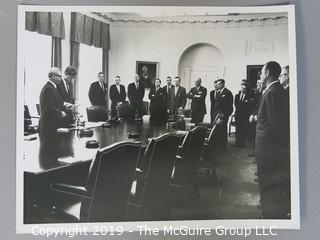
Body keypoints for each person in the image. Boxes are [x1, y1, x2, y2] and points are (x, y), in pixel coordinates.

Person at [256, 61, 290, 219]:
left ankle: (269, 217)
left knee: (269, 185)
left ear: (268, 72)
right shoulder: (273, 90)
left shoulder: (272, 92)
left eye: (262, 72)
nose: (260, 75)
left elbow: (278, 127)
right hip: (268, 150)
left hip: (269, 151)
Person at [39, 67, 67, 139]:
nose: (61, 78)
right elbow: (49, 107)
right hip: (48, 127)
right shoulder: (48, 88)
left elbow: (56, 103)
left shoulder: (53, 87)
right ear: (53, 76)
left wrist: (65, 106)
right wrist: (60, 113)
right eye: (60, 76)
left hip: (52, 126)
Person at [212, 79, 233, 150]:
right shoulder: (219, 92)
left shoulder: (228, 93)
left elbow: (229, 107)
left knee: (223, 131)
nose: (217, 85)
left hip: (222, 116)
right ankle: (218, 146)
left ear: (222, 84)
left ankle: (223, 148)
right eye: (217, 84)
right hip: (217, 115)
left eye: (218, 84)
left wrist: (223, 117)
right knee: (218, 131)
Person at [234, 79, 254, 147]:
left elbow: (249, 106)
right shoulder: (237, 95)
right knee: (238, 129)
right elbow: (236, 105)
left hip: (245, 116)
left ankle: (242, 144)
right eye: (242, 85)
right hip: (238, 115)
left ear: (247, 86)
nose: (243, 87)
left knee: (243, 129)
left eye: (245, 85)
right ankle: (237, 143)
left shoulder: (249, 95)